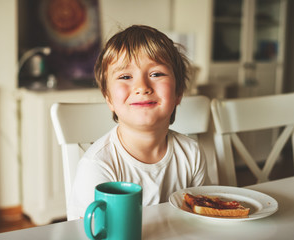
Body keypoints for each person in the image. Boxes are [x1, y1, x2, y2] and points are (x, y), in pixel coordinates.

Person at [68, 25, 208, 220]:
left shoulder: (192, 154)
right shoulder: (99, 165)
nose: (142, 87)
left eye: (156, 74)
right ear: (109, 99)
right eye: (125, 76)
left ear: (178, 94)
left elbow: (205, 218)